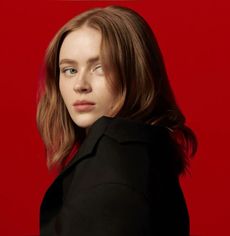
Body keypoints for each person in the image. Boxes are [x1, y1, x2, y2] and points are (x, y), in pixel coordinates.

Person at [36, 5, 197, 236]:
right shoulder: (144, 153)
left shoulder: (112, 179)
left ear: (135, 73)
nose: (80, 85)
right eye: (69, 70)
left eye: (100, 67)